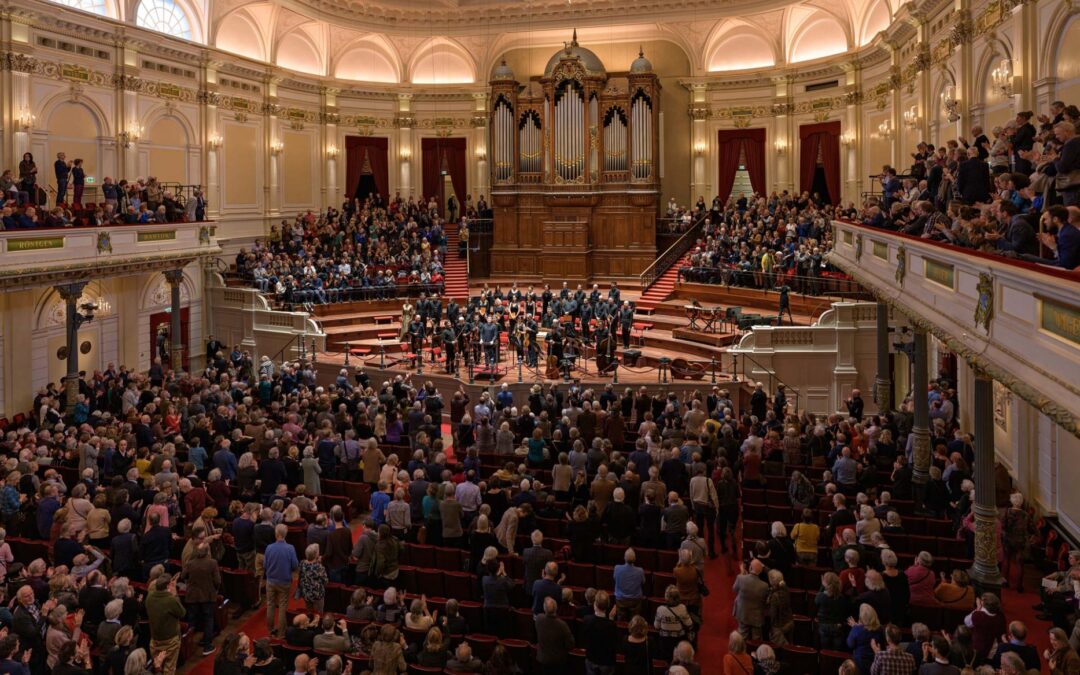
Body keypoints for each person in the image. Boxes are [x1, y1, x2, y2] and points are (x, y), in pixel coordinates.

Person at [182, 542, 221, 656]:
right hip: (207, 596)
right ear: (208, 551)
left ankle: (187, 647)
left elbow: (183, 576)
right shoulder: (212, 563)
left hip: (192, 596)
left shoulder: (190, 563)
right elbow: (218, 581)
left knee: (191, 621)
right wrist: (215, 589)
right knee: (208, 619)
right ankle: (207, 646)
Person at [146, 574, 185, 675]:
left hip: (155, 640)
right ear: (168, 586)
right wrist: (175, 594)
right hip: (170, 640)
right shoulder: (170, 599)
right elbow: (182, 613)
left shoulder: (149, 597)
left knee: (158, 666)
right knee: (169, 669)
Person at [264, 524, 299, 638]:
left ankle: (270, 630)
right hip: (284, 582)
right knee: (283, 606)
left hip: (271, 581)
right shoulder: (290, 548)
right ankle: (281, 633)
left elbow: (265, 565)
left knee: (270, 604)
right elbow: (295, 565)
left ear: (276, 533)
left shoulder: (269, 547)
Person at [581, 591, 619, 675]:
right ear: (608, 606)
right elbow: (614, 642)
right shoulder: (611, 625)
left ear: (595, 604)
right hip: (606, 661)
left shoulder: (587, 619)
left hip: (591, 658)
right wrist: (611, 619)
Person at [535, 596, 574, 675]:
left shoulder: (539, 618)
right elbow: (571, 645)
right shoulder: (562, 625)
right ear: (556, 609)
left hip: (543, 659)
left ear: (544, 609)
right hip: (558, 662)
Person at [733, 559, 768, 640]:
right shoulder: (764, 586)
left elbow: (735, 589)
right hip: (756, 617)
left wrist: (742, 573)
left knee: (742, 636)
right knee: (757, 639)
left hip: (743, 613)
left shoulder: (740, 578)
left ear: (750, 568)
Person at [964, 593, 1007, 660]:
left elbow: (966, 622)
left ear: (984, 604)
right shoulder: (1001, 616)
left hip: (978, 649)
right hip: (994, 649)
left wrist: (978, 608)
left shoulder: (979, 616)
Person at [847, 603, 884, 675]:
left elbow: (850, 644)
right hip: (874, 662)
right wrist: (856, 627)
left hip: (859, 663)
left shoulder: (857, 630)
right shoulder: (880, 629)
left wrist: (855, 628)